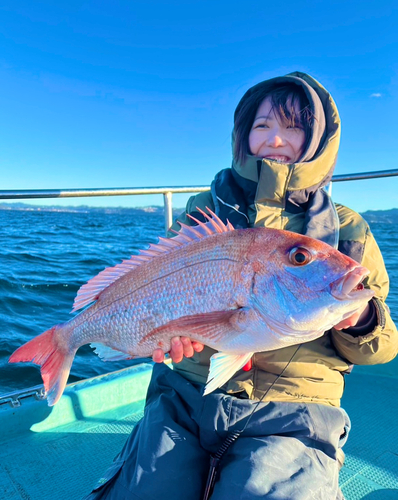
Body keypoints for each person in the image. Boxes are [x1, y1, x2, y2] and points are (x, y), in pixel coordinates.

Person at [84, 72, 398, 500]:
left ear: (319, 140)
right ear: (242, 136)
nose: (275, 139)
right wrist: (172, 337)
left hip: (295, 407)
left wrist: (362, 319)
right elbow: (163, 290)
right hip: (186, 393)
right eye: (262, 126)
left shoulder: (350, 229)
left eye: (294, 127)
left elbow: (384, 347)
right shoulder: (204, 209)